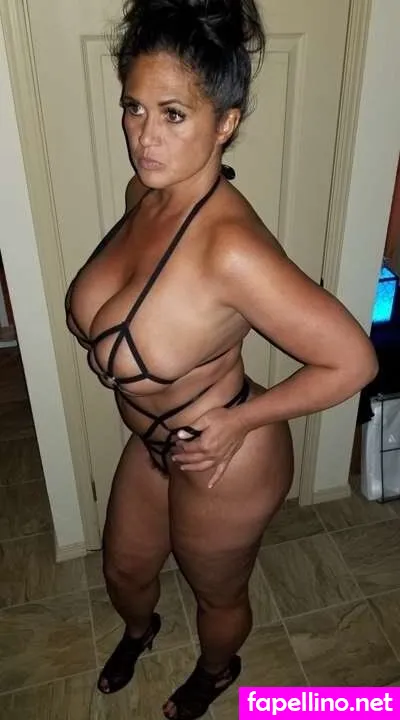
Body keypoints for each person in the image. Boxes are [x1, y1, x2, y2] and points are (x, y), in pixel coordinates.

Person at [65, 0, 378, 717]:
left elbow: (353, 361)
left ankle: (216, 670)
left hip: (225, 456)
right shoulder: (143, 193)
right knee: (125, 570)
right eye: (134, 108)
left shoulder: (233, 249)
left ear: (225, 122)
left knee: (217, 594)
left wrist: (240, 422)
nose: (145, 137)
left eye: (174, 114)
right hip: (151, 441)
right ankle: (140, 633)